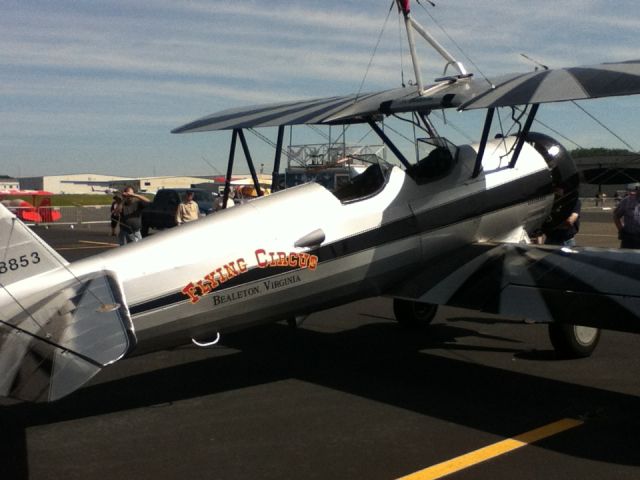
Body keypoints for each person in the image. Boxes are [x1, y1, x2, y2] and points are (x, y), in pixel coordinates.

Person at [614, 184, 640, 248]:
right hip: (629, 238)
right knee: (626, 257)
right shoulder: (627, 200)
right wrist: (621, 230)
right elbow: (616, 216)